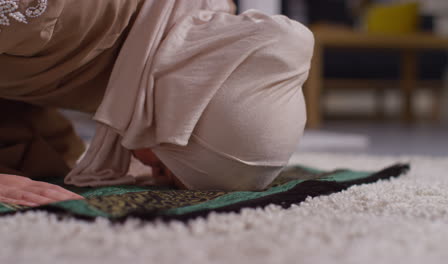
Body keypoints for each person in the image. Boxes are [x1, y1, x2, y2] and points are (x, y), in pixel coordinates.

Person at [0, 0, 314, 206]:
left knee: (42, 159)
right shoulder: (61, 10)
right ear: (177, 114)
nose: (148, 171)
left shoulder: (169, 34)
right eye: (163, 168)